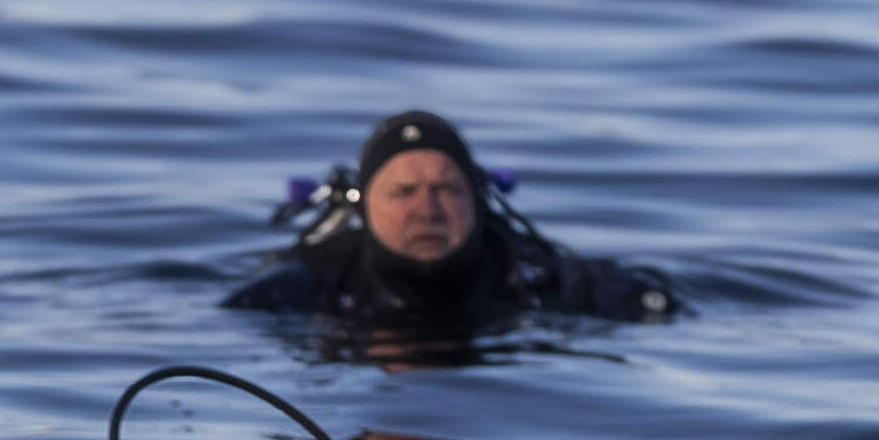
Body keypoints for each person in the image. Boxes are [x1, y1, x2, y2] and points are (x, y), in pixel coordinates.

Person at [228, 110, 675, 336]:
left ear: (478, 201)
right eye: (403, 192)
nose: (427, 209)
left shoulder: (541, 280)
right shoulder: (299, 286)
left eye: (447, 190)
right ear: (363, 207)